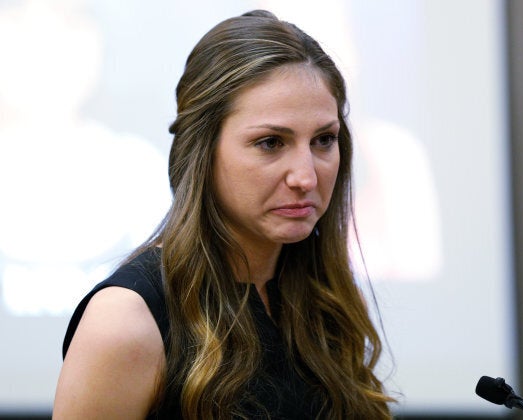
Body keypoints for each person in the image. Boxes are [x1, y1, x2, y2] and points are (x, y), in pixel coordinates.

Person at [53, 9, 393, 419]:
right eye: (270, 143)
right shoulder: (127, 320)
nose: (306, 176)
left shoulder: (322, 296)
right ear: (202, 151)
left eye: (324, 140)